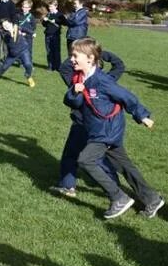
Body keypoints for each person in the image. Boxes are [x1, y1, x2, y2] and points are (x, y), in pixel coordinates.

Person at [66, 37, 164, 219]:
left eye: (74, 55)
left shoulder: (102, 81)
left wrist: (142, 115)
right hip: (97, 129)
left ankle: (118, 197)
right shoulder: (80, 78)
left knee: (86, 160)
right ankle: (152, 199)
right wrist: (74, 92)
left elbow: (127, 97)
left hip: (107, 131)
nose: (71, 59)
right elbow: (70, 101)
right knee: (124, 166)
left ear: (89, 58)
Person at [51, 46, 123, 198]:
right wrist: (98, 53)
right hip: (101, 125)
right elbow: (119, 65)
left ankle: (67, 186)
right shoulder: (107, 80)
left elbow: (64, 67)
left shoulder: (76, 80)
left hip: (81, 123)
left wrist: (88, 52)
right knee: (99, 156)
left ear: (90, 61)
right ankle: (114, 183)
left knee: (71, 155)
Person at [0, 20, 35, 87]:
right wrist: (15, 33)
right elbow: (10, 39)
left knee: (28, 64)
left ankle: (29, 77)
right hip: (13, 53)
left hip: (23, 50)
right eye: (4, 26)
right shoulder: (5, 34)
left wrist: (32, 33)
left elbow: (24, 29)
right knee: (4, 67)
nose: (6, 26)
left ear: (11, 23)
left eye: (7, 24)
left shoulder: (17, 27)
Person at [42, 0, 65, 71]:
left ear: (56, 6)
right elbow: (44, 25)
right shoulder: (48, 14)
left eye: (51, 7)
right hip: (47, 35)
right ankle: (50, 66)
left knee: (56, 51)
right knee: (49, 51)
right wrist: (44, 21)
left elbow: (63, 22)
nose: (50, 8)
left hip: (55, 35)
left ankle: (58, 67)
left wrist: (56, 21)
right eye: (49, 7)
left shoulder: (59, 15)